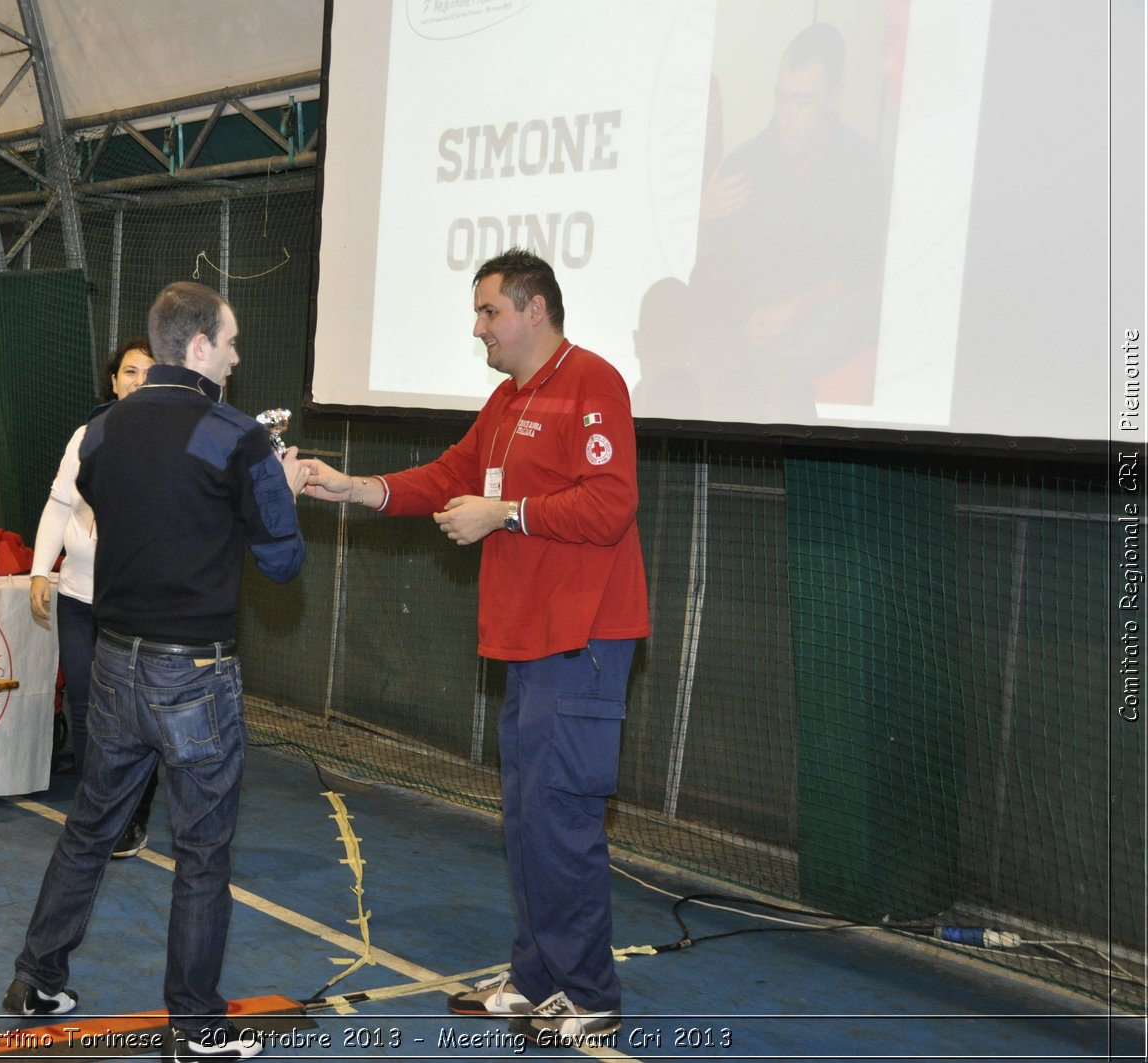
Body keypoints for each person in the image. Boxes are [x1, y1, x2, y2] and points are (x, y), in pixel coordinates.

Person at [301, 249, 649, 1046]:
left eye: (489, 311)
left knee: (562, 818)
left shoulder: (591, 381)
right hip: (527, 644)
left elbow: (611, 503)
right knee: (528, 815)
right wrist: (350, 486)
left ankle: (589, 991)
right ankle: (535, 979)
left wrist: (506, 513)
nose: (478, 327)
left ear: (534, 309)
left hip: (584, 636)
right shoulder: (505, 400)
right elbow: (446, 476)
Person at [3, 281, 307, 1063]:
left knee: (91, 824)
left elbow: (142, 511)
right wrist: (284, 486)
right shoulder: (236, 438)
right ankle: (197, 1029)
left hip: (113, 664)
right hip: (193, 676)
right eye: (232, 343)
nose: (238, 358)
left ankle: (37, 976)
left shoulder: (100, 432)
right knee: (203, 851)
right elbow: (282, 561)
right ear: (199, 345)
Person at [689, 21, 886, 421]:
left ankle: (767, 358)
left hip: (816, 313)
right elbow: (713, 269)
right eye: (781, 99)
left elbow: (862, 268)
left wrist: (797, 307)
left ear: (833, 97)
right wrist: (701, 215)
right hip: (752, 320)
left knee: (862, 310)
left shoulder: (862, 165)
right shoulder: (745, 166)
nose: (785, 115)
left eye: (801, 101)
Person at [29, 336, 159, 858]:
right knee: (83, 703)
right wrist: (41, 571)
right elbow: (59, 507)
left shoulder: (172, 440)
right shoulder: (86, 435)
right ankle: (94, 809)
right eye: (130, 372)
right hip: (78, 600)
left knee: (135, 712)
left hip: (138, 606)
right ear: (113, 381)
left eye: (150, 373)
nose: (138, 382)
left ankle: (133, 814)